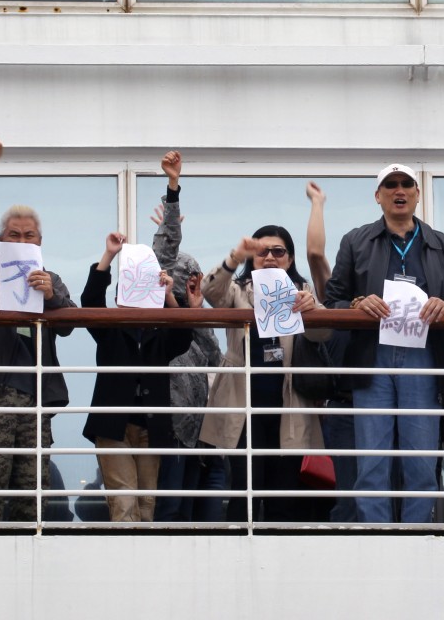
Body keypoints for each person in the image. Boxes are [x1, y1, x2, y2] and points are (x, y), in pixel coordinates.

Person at [323, 163, 444, 524]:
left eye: (407, 184)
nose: (399, 191)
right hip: (371, 356)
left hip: (424, 356)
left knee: (421, 459)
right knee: (372, 459)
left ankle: (418, 534)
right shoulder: (356, 240)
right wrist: (358, 304)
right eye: (391, 185)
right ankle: (377, 535)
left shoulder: (443, 245)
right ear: (378, 196)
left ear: (418, 195)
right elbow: (332, 302)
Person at [0, 137, 77, 522]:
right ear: (0, 239)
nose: (22, 241)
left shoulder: (50, 278)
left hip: (37, 395)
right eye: (14, 235)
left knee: (33, 489)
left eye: (29, 236)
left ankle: (32, 565)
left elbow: (74, 323)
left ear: (40, 242)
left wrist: (52, 295)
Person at [198, 224, 325, 522]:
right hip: (243, 407)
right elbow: (210, 291)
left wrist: (313, 310)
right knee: (244, 490)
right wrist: (234, 258)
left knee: (284, 494)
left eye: (278, 251)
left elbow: (324, 335)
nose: (269, 257)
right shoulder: (237, 290)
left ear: (290, 259)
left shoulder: (302, 292)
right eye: (261, 251)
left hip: (287, 408)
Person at [81, 231, 193, 522]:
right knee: (124, 500)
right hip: (113, 424)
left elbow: (183, 338)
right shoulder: (111, 327)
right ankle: (126, 563)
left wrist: (169, 296)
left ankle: (141, 563)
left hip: (150, 427)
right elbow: (90, 301)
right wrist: (109, 255)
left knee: (146, 504)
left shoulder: (160, 331)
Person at [148, 151, 226, 523]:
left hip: (198, 432)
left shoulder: (197, 318)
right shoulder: (156, 319)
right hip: (170, 429)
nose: (191, 279)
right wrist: (173, 190)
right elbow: (163, 256)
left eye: (195, 276)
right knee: (169, 510)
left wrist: (196, 313)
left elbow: (214, 360)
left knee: (193, 513)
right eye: (186, 275)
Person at [304, 180, 356, 522]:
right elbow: (315, 255)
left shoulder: (391, 302)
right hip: (345, 405)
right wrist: (318, 204)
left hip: (391, 398)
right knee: (350, 494)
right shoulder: (338, 302)